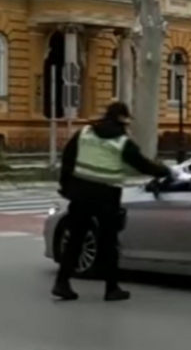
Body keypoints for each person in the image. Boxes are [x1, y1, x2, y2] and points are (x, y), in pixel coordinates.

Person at [53, 101, 179, 302]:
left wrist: (66, 186)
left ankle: (62, 283)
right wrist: (166, 171)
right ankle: (111, 288)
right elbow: (142, 164)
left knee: (76, 239)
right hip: (106, 195)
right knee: (108, 242)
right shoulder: (121, 142)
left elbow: (68, 158)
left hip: (80, 192)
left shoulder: (85, 133)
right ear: (123, 120)